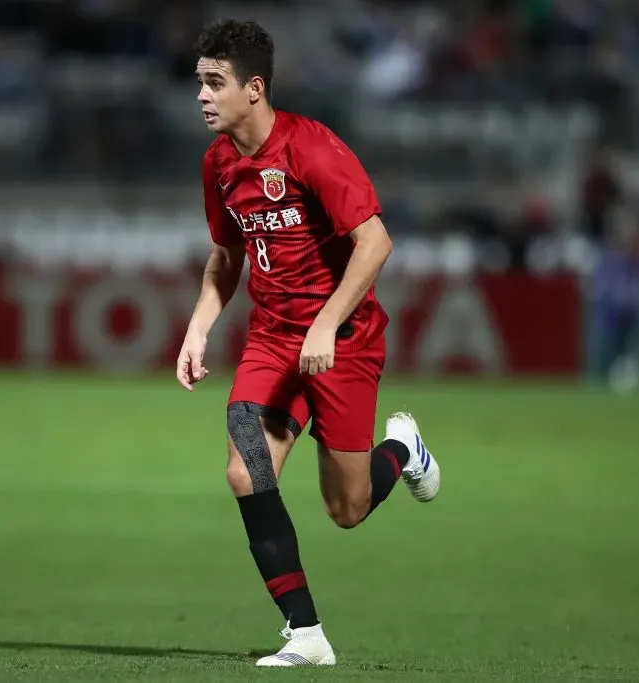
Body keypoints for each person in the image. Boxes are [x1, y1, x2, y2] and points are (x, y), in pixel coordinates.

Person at [176, 19, 441, 667]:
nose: (203, 96)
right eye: (199, 83)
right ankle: (306, 633)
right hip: (272, 342)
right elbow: (225, 255)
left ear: (254, 88)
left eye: (215, 83)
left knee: (346, 508)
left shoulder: (312, 148)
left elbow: (375, 242)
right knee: (244, 470)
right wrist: (199, 323)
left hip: (344, 339)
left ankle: (402, 446)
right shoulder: (218, 164)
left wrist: (325, 322)